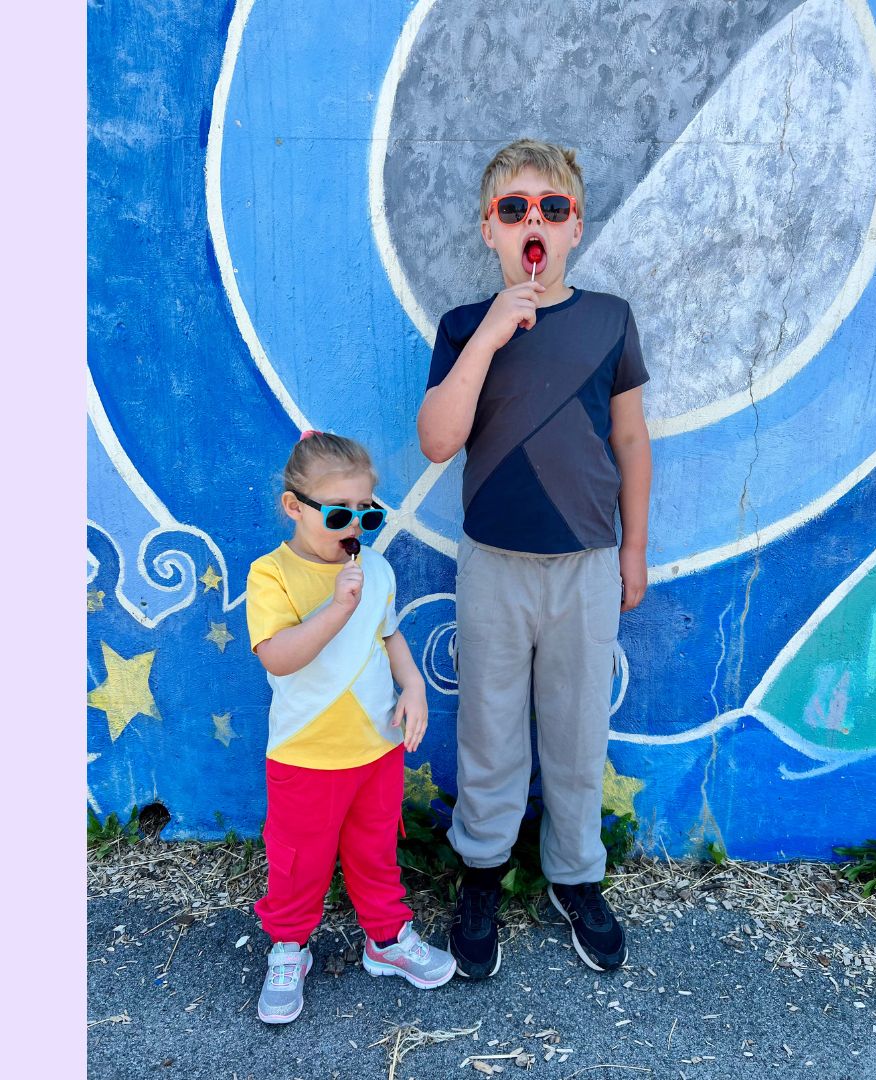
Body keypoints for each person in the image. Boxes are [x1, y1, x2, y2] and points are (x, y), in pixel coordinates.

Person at [417, 138, 652, 979]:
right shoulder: (460, 328)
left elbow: (629, 437)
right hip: (494, 565)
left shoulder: (609, 319)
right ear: (490, 230)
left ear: (575, 226)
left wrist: (634, 551)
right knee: (488, 727)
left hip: (587, 566)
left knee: (578, 729)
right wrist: (490, 332)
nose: (534, 222)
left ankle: (575, 874)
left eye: (551, 209)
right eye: (514, 209)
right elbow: (440, 439)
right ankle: (482, 869)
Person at [245, 431, 455, 1024]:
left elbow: (388, 635)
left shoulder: (376, 569)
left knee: (374, 851)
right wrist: (336, 605)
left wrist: (413, 686)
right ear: (294, 506)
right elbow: (279, 655)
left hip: (375, 749)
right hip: (305, 754)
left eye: (367, 512)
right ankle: (289, 948)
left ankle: (386, 941)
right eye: (339, 513)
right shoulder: (272, 575)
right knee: (297, 861)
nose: (354, 526)